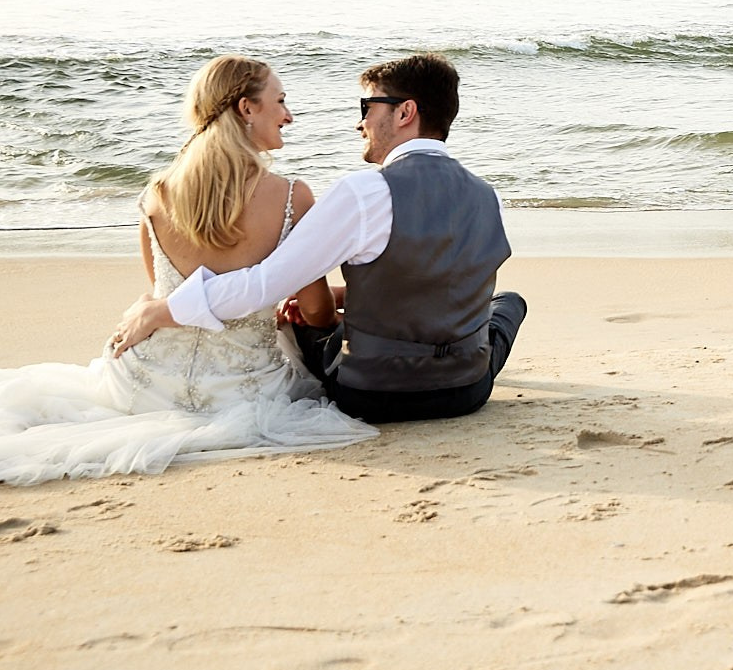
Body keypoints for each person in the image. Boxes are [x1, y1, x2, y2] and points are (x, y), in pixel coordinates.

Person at [0, 56, 375, 488]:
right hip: (247, 393)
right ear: (247, 108)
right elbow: (316, 310)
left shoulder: (158, 191)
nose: (289, 115)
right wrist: (312, 313)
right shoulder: (291, 196)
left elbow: (160, 289)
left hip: (142, 386)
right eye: (280, 101)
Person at [110, 53, 527, 425]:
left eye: (368, 107)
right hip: (467, 392)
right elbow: (453, 279)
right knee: (506, 304)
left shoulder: (363, 193)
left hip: (373, 396)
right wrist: (354, 292)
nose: (360, 121)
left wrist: (164, 310)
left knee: (304, 317)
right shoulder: (488, 196)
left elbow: (262, 285)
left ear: (405, 113)